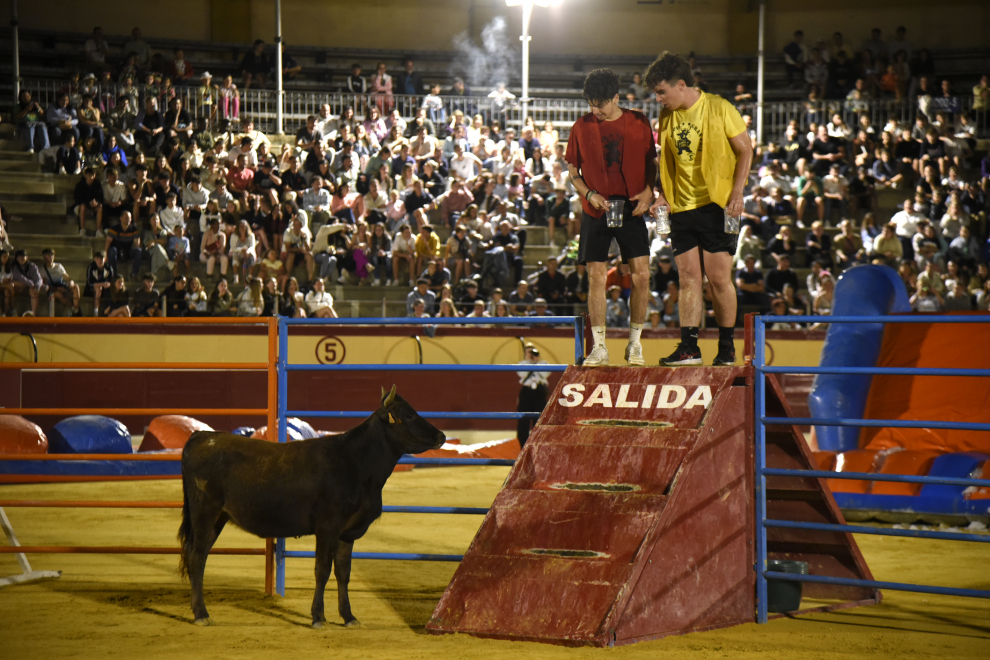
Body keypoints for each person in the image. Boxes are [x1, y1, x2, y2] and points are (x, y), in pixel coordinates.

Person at [646, 51, 752, 365]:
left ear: (681, 85)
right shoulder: (667, 115)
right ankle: (689, 347)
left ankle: (726, 347)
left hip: (718, 204)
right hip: (681, 206)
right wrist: (663, 194)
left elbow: (745, 150)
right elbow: (666, 159)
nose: (658, 99)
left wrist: (738, 191)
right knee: (689, 277)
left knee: (719, 278)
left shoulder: (720, 107)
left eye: (661, 92)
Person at [563, 68, 656, 367]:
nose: (595, 110)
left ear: (616, 98)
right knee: (596, 277)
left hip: (632, 206)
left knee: (641, 275)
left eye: (600, 104)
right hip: (595, 208)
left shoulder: (639, 121)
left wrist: (649, 192)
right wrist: (589, 195)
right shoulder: (581, 126)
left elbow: (652, 163)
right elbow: (573, 175)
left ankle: (635, 344)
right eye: (590, 103)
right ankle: (599, 346)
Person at [516, 344, 550, 447]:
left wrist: (537, 362)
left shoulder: (543, 363)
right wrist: (528, 361)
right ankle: (522, 446)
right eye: (528, 352)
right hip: (526, 392)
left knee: (539, 420)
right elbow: (523, 374)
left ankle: (537, 444)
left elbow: (545, 373)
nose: (531, 354)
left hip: (539, 393)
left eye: (533, 352)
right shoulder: (522, 364)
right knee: (523, 421)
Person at [39, 248, 82, 316]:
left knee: (76, 287)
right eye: (48, 255)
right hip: (52, 288)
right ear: (44, 257)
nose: (51, 257)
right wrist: (57, 289)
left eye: (52, 255)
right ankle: (72, 307)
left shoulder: (58, 266)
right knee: (57, 293)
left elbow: (68, 278)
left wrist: (71, 282)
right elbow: (45, 284)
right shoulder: (42, 269)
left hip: (61, 285)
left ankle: (76, 308)